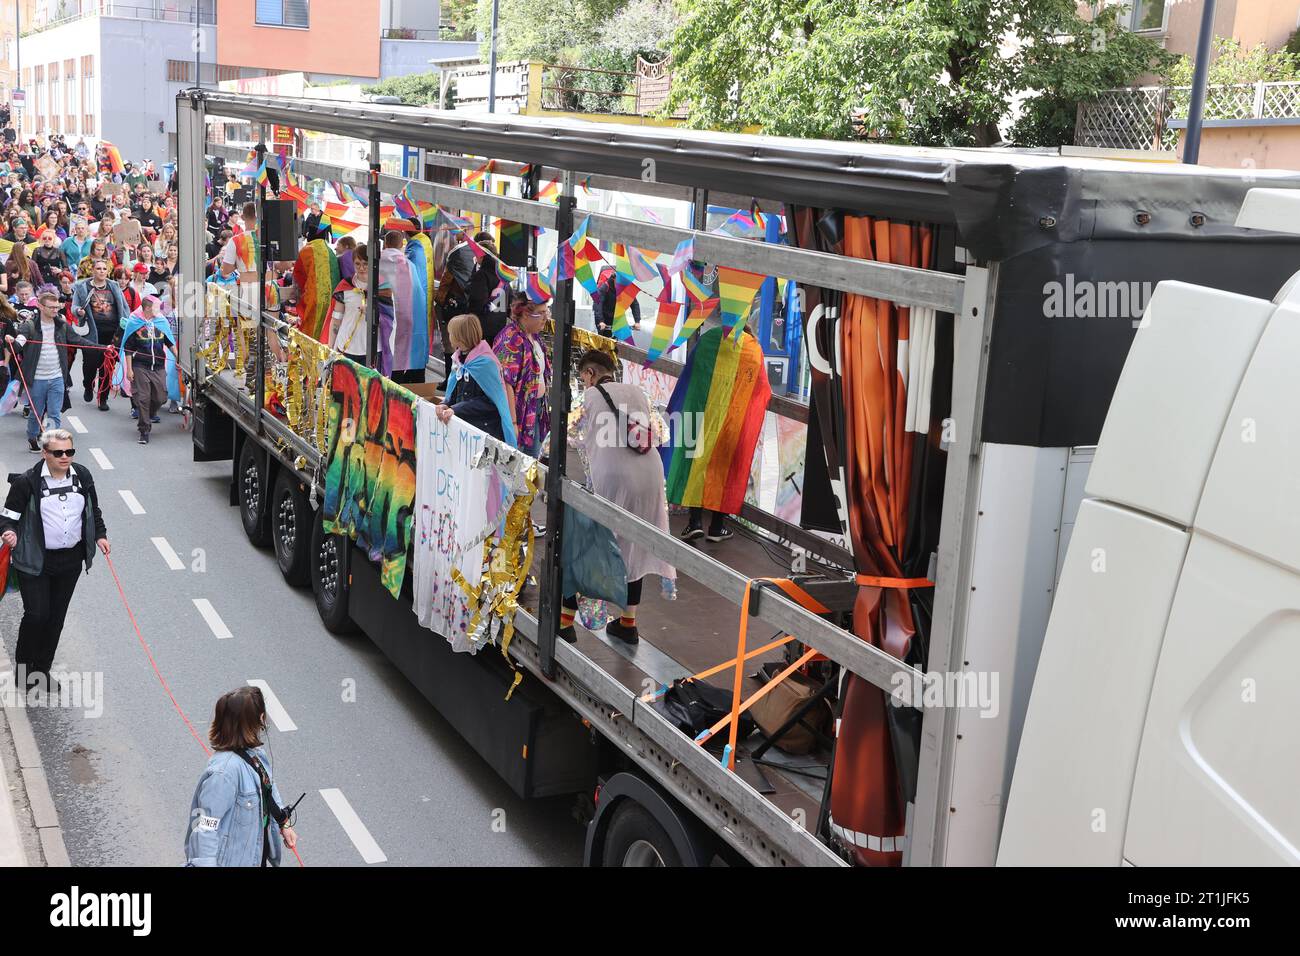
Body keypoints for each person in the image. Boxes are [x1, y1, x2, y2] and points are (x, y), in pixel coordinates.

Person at [558, 349, 674, 644]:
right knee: (635, 544)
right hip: (650, 476)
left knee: (589, 544)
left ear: (589, 374)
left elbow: (568, 434)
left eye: (583, 378)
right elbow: (661, 434)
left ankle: (565, 622)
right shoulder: (639, 393)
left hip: (612, 478)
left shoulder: (590, 397)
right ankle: (627, 624)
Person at [0, 428, 109, 692]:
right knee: (37, 615)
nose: (65, 457)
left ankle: (41, 671)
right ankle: (24, 673)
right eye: (58, 452)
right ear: (44, 453)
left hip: (70, 560)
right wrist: (9, 533)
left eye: (69, 452)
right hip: (35, 560)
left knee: (56, 618)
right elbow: (7, 518)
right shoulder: (26, 482)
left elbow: (92, 509)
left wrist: (101, 536)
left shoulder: (82, 476)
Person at [184, 686, 299, 867]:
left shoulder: (256, 757)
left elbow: (268, 791)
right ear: (260, 719)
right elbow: (205, 828)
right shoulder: (224, 774)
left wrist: (283, 824)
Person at [7, 291, 98, 451]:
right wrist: (11, 342)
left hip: (57, 377)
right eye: (51, 308)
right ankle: (32, 436)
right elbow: (17, 345)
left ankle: (51, 444)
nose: (55, 310)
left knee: (55, 413)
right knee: (37, 412)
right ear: (40, 307)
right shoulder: (29, 326)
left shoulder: (62, 325)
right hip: (37, 379)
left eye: (57, 307)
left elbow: (78, 340)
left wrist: (102, 348)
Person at [435, 313, 515, 444]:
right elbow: (455, 390)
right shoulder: (460, 359)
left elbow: (491, 402)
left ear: (460, 337)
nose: (449, 336)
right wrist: (445, 404)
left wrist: (457, 409)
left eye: (451, 333)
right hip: (465, 430)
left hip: (483, 433)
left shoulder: (485, 363)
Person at [492, 295, 551, 457]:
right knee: (517, 464)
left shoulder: (534, 336)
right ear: (525, 314)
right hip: (518, 414)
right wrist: (512, 423)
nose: (545, 319)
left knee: (532, 465)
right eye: (541, 313)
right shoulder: (510, 339)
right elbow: (505, 384)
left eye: (547, 313)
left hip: (535, 409)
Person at [72, 258, 130, 409]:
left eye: (104, 269)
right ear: (93, 270)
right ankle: (88, 386)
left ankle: (102, 399)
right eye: (98, 268)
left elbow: (124, 307)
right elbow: (74, 306)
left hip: (112, 333)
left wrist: (126, 323)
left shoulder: (114, 286)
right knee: (90, 365)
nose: (102, 271)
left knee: (107, 367)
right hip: (91, 333)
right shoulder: (82, 287)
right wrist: (79, 311)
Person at [121, 296, 173, 445]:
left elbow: (169, 342)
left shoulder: (161, 322)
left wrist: (178, 359)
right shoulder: (135, 324)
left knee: (160, 397)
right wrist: (129, 370)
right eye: (157, 307)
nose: (160, 309)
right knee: (143, 398)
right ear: (148, 308)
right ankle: (144, 430)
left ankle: (149, 414)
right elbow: (128, 348)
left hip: (158, 366)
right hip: (140, 366)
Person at [328, 244, 368, 363]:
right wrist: (330, 347)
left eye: (365, 263)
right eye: (357, 263)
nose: (361, 268)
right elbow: (336, 319)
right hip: (346, 347)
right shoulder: (345, 285)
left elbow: (389, 319)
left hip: (372, 349)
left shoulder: (382, 288)